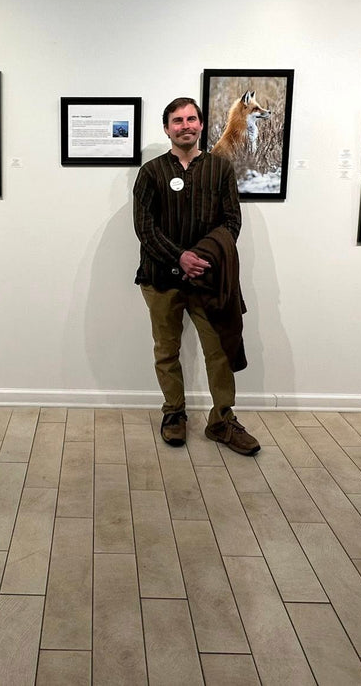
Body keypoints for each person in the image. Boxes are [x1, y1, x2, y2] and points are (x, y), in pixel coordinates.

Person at [132, 97, 260, 455]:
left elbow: (231, 221)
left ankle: (222, 421)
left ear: (201, 125)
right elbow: (145, 227)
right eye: (177, 120)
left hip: (207, 279)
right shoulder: (151, 172)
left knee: (219, 350)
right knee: (166, 351)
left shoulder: (220, 169)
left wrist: (199, 258)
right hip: (160, 278)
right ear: (167, 128)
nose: (185, 125)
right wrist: (179, 258)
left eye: (191, 119)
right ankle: (174, 414)